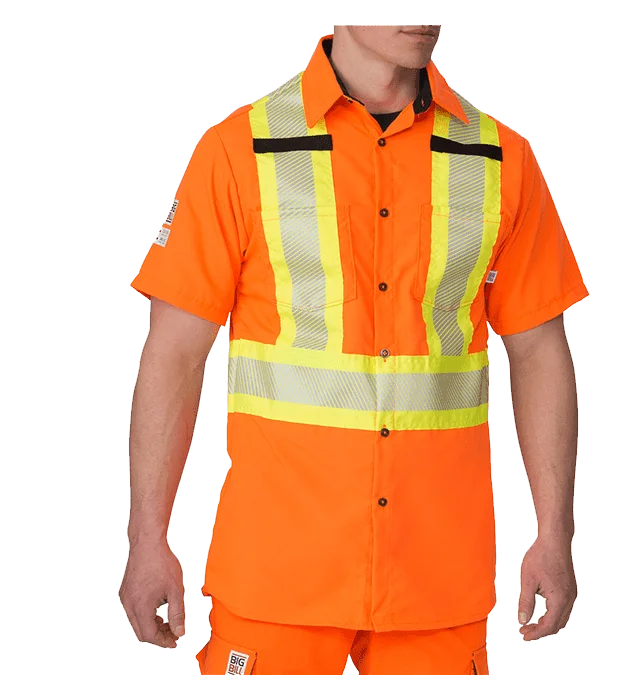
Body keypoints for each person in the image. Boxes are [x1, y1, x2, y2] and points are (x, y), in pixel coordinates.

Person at [121, 24, 589, 678]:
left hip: (435, 581)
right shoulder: (241, 150)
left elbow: (539, 352)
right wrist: (148, 538)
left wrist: (555, 533)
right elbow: (173, 354)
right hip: (277, 578)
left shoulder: (497, 158)